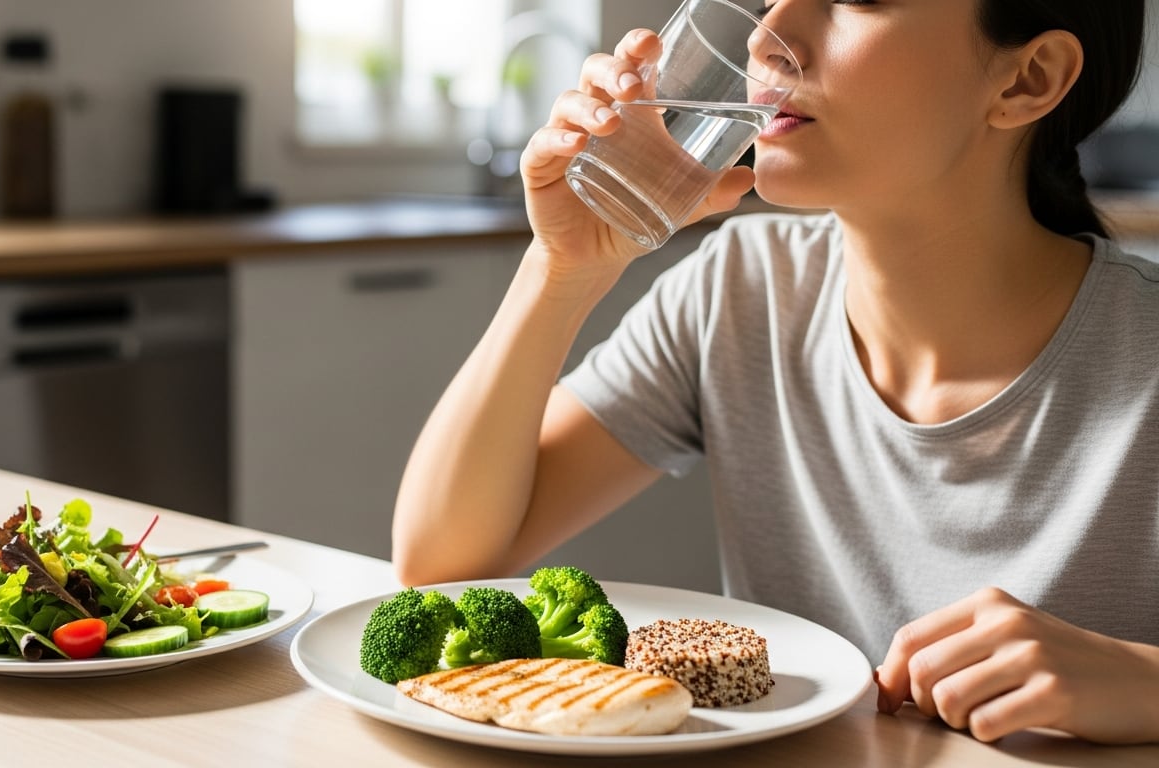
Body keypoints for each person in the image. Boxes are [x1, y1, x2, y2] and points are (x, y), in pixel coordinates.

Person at [391, 0, 1159, 745]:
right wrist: (560, 270)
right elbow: (442, 563)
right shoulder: (740, 289)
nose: (768, 37)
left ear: (1027, 80)